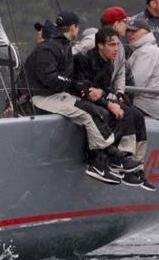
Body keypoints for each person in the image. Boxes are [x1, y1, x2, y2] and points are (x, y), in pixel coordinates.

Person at [20, 11, 141, 184]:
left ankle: (109, 161)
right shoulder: (49, 47)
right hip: (41, 97)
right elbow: (50, 78)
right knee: (88, 112)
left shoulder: (62, 45)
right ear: (73, 28)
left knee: (95, 111)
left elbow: (64, 78)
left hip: (55, 94)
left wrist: (80, 87)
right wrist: (75, 85)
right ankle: (105, 161)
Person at [76, 26, 155, 191]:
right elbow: (85, 88)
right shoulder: (84, 59)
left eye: (117, 45)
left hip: (99, 98)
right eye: (112, 45)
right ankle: (119, 160)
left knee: (137, 115)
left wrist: (110, 95)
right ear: (100, 45)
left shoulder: (109, 65)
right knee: (120, 113)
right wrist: (108, 102)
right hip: (81, 97)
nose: (116, 49)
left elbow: (103, 89)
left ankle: (136, 166)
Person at [126, 20, 159, 119]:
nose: (130, 34)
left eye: (134, 31)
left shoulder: (147, 51)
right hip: (147, 105)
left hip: (145, 106)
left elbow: (136, 84)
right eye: (128, 31)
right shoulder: (144, 49)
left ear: (146, 33)